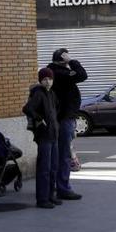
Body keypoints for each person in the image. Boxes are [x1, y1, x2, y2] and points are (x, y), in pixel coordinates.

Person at [47, 48, 87, 202]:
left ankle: (55, 186)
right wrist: (72, 62)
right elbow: (82, 75)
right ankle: (63, 188)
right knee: (63, 155)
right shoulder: (60, 73)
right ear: (63, 59)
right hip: (63, 119)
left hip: (63, 118)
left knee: (59, 154)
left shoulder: (55, 72)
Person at [23, 68, 61, 209]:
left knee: (53, 167)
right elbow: (27, 108)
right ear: (40, 80)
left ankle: (51, 196)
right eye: (45, 79)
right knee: (44, 168)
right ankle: (42, 199)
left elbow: (56, 110)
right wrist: (39, 119)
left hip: (54, 135)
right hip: (44, 136)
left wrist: (55, 124)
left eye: (50, 79)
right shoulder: (38, 93)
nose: (48, 81)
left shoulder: (52, 94)